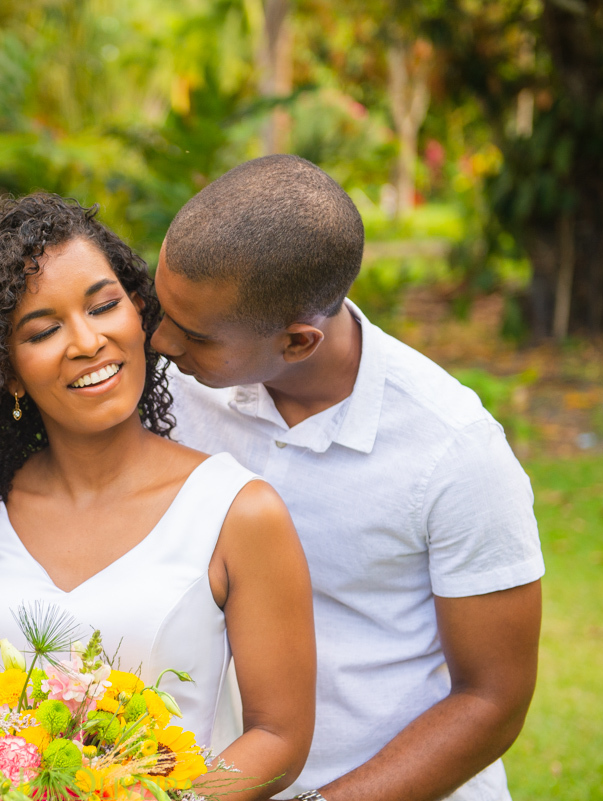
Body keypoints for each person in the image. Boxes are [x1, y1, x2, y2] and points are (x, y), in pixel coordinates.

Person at [0, 193, 316, 800]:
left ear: (139, 312)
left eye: (104, 306)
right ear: (5, 369)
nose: (87, 341)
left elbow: (278, 735)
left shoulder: (237, 511)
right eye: (43, 330)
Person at [150, 154, 545, 801]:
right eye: (160, 307)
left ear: (298, 342)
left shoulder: (453, 451)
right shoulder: (175, 387)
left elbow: (492, 698)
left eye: (192, 332)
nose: (160, 341)